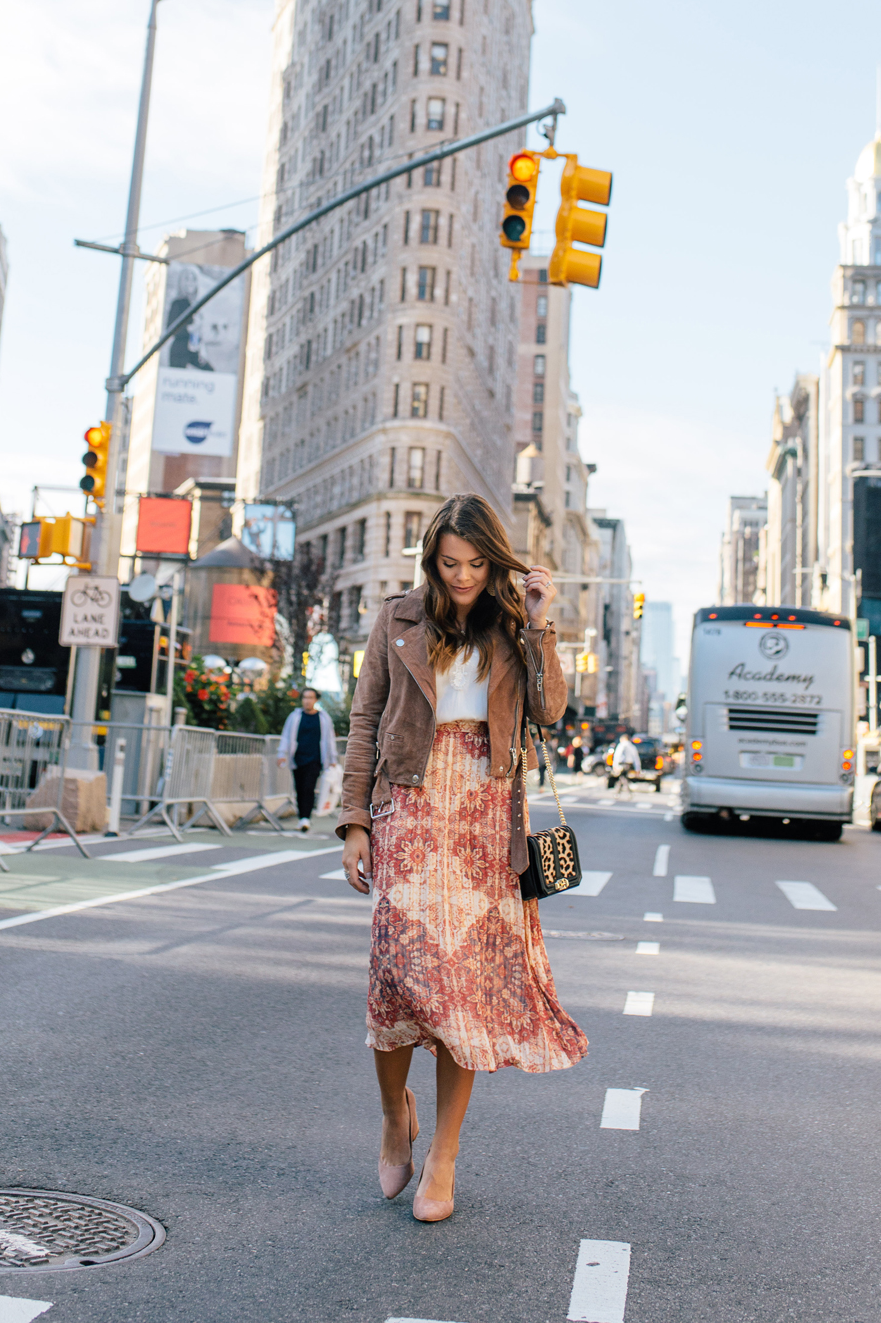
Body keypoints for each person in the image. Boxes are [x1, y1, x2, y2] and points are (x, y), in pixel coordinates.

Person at [339, 493, 587, 1224]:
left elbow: (549, 712)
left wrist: (541, 621)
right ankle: (394, 1116)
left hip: (485, 817)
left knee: (462, 998)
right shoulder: (399, 617)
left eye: (477, 564)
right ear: (430, 559)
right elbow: (364, 718)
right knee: (397, 979)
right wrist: (355, 821)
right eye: (450, 564)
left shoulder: (513, 624)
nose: (463, 577)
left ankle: (442, 1155)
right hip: (409, 809)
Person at [278, 687, 338, 831]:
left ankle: (306, 818)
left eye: (310, 697)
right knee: (299, 788)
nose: (307, 701)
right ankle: (301, 817)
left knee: (308, 787)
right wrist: (281, 754)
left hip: (315, 758)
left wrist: (333, 758)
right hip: (298, 757)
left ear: (316, 700)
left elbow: (330, 739)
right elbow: (286, 736)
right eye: (305, 697)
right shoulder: (295, 716)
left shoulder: (323, 718)